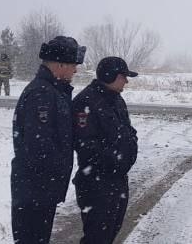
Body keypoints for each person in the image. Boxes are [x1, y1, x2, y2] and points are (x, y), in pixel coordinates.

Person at [11, 36, 86, 244]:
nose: (76, 70)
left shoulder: (53, 91)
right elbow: (38, 146)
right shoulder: (41, 94)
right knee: (32, 239)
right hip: (34, 188)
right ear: (60, 65)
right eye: (73, 65)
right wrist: (56, 171)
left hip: (41, 188)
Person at [72, 56, 139, 244]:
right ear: (110, 76)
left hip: (117, 181)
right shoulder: (86, 102)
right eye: (123, 76)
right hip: (96, 185)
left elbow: (129, 132)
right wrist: (115, 161)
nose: (126, 80)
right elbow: (86, 146)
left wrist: (129, 151)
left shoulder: (117, 100)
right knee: (96, 238)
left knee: (109, 235)